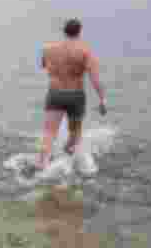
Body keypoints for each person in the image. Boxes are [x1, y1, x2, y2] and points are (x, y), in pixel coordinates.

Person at [37, 18, 106, 170]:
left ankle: (42, 165)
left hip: (55, 93)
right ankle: (66, 160)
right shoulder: (85, 52)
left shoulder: (48, 49)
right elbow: (95, 80)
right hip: (76, 96)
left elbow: (42, 64)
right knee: (75, 134)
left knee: (49, 133)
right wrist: (102, 100)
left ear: (64, 31)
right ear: (79, 32)